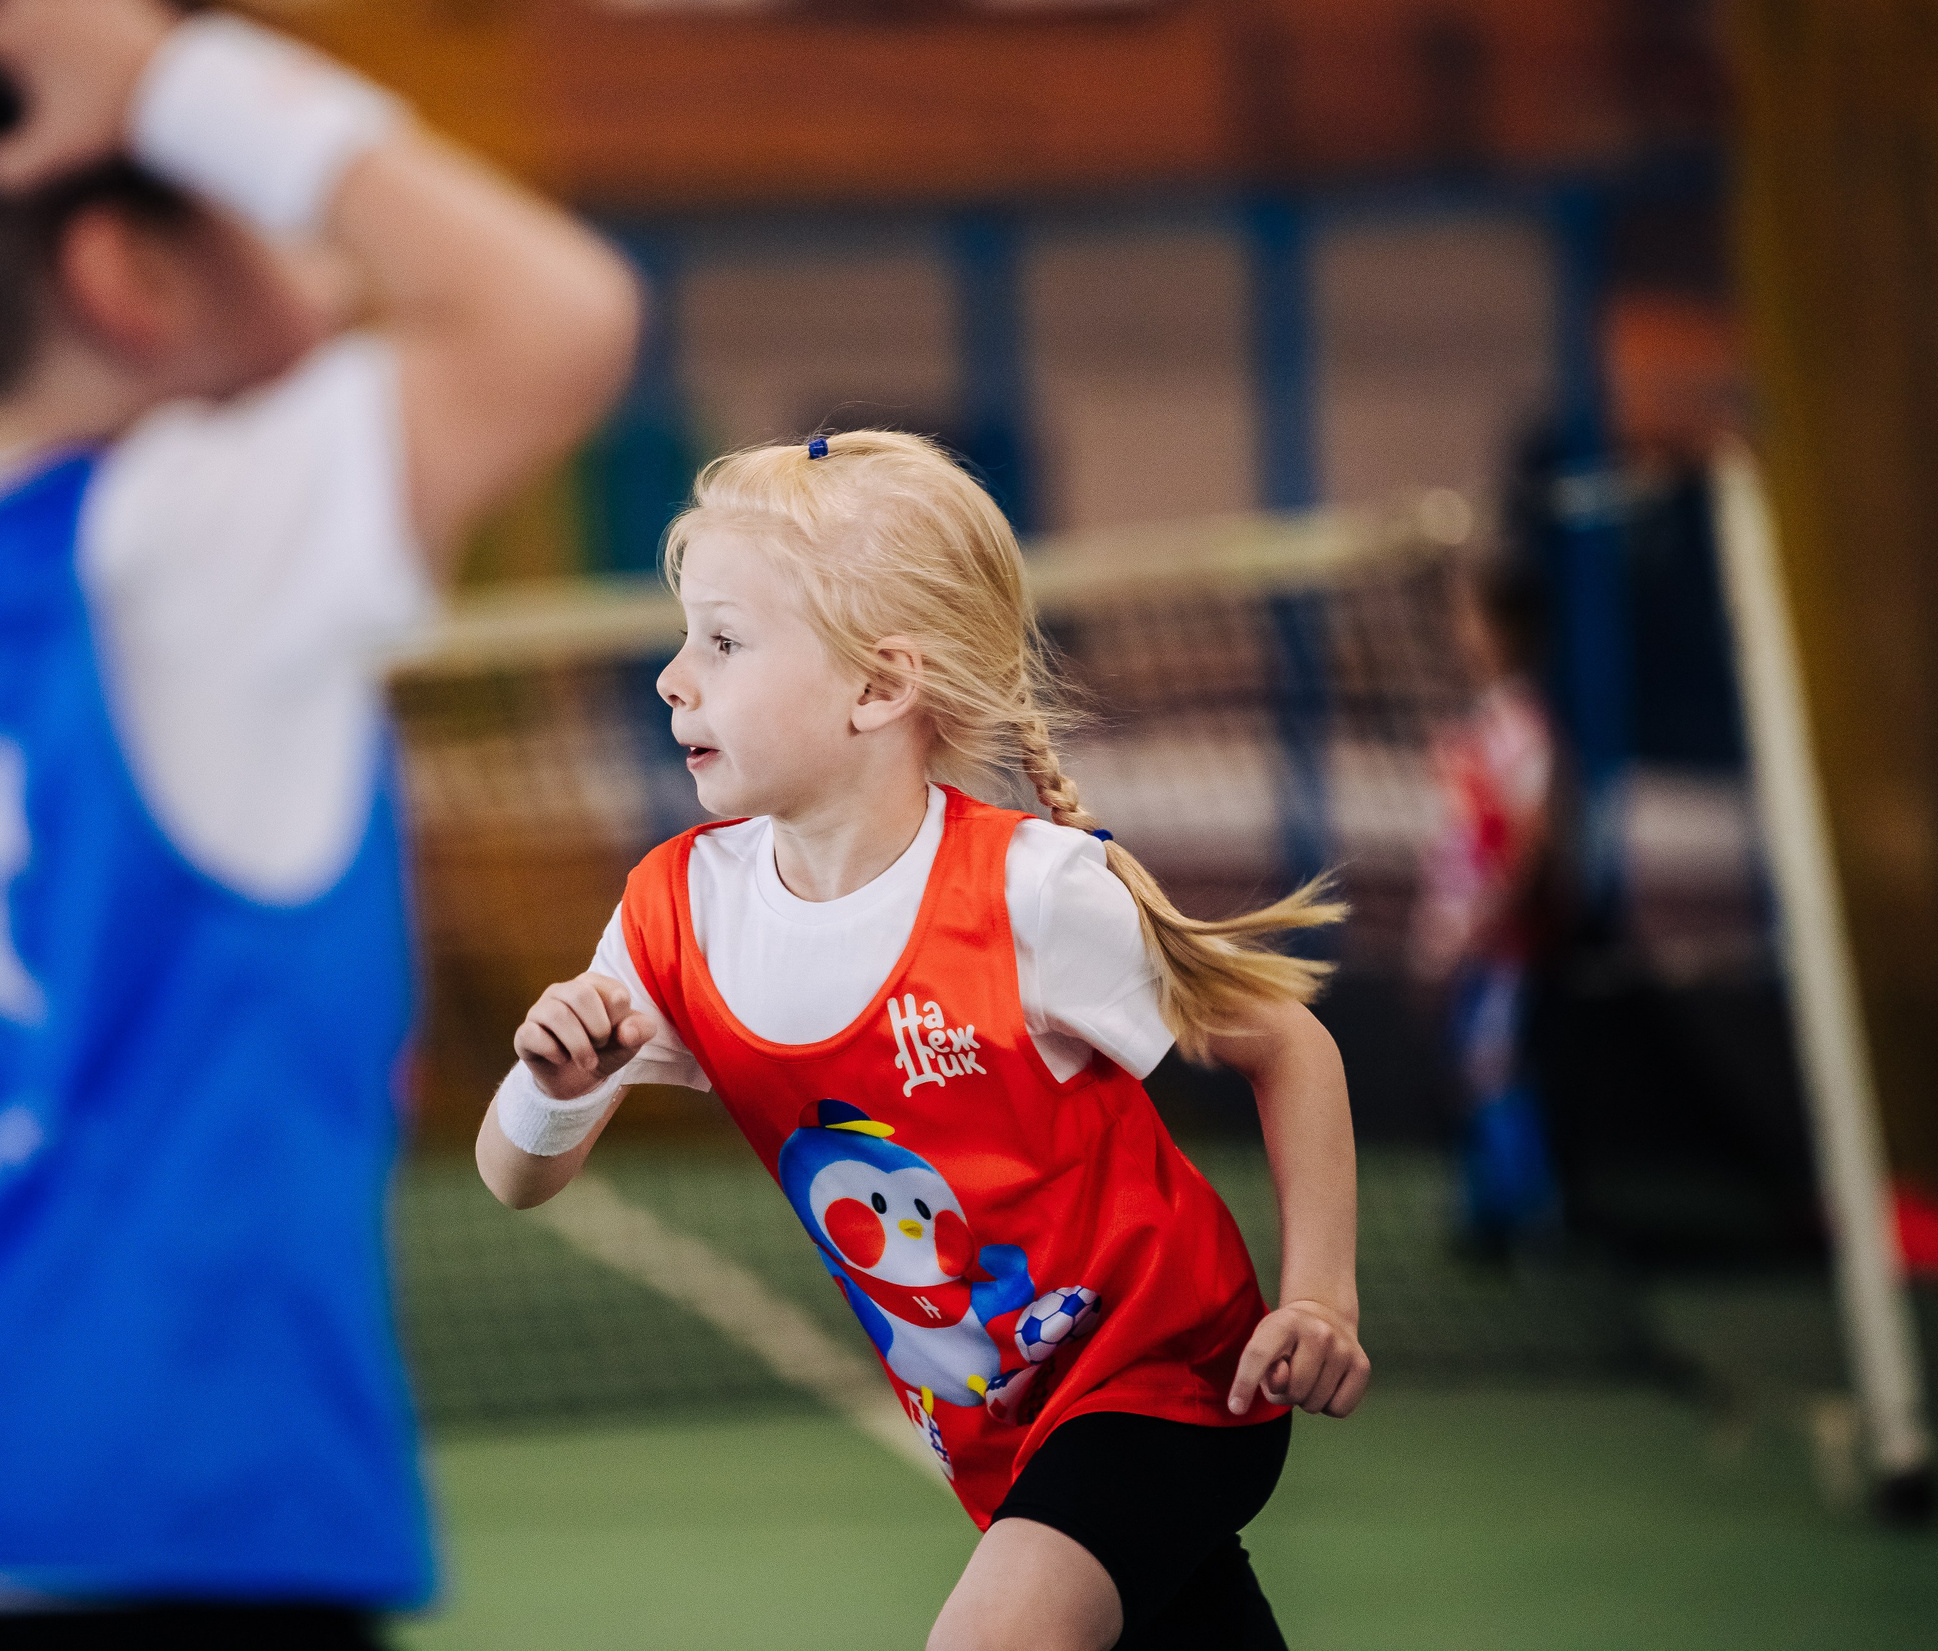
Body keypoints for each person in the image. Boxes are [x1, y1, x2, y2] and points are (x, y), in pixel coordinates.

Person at [0, 0, 636, 1641]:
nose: (330, 259)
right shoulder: (182, 535)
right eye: (249, 195)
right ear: (127, 275)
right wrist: (172, 78)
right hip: (159, 1535)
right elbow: (559, 316)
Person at [476, 432, 1369, 1651]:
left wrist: (1319, 1296)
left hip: (1168, 1380)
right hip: (996, 1436)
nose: (672, 679)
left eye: (724, 643)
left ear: (878, 687)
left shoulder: (1030, 895)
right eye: (685, 639)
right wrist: (553, 1089)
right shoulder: (674, 913)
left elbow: (1286, 1044)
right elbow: (516, 1179)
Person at [1409, 543, 1562, 1255]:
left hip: (1497, 942)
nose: (1460, 631)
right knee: (1468, 1070)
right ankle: (1486, 1208)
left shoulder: (1522, 731)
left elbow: (1528, 842)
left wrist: (1483, 924)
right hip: (1463, 933)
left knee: (1493, 1067)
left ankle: (1525, 1214)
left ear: (1503, 631)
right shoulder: (1479, 726)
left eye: (1471, 617)